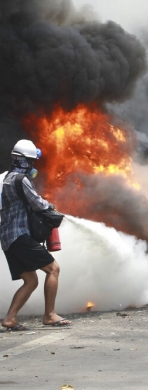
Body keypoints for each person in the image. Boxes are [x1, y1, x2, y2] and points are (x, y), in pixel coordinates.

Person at [0, 139, 71, 331]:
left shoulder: (3, 178)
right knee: (53, 269)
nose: (32, 166)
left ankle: (10, 319)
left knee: (31, 280)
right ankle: (49, 315)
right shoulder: (20, 180)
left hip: (7, 240)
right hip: (20, 236)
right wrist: (52, 207)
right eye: (31, 161)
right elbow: (38, 204)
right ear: (24, 161)